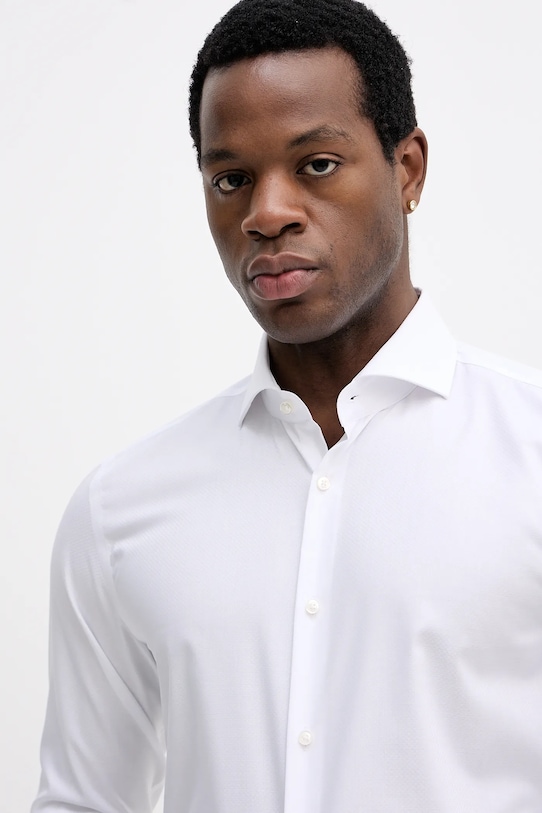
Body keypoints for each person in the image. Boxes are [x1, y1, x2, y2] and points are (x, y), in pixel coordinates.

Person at [32, 0, 542, 811]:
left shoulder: (529, 458)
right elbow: (83, 799)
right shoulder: (119, 509)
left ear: (408, 169)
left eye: (317, 164)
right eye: (231, 179)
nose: (266, 214)